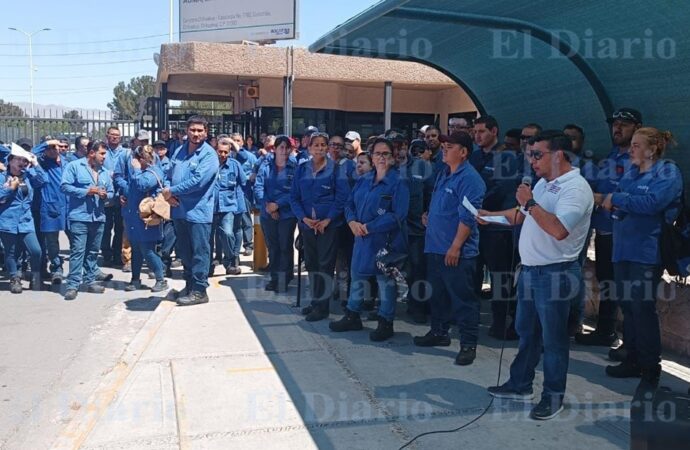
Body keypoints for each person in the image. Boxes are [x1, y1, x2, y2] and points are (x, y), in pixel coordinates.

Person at [483, 131, 593, 420]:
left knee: (554, 341)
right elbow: (520, 215)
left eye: (536, 155)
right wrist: (488, 215)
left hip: (556, 274)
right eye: (529, 154)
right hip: (531, 271)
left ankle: (552, 396)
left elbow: (558, 229)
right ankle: (520, 384)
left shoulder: (575, 188)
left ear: (558, 156)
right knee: (526, 333)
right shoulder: (545, 183)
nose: (531, 160)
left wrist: (530, 203)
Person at [602, 127, 682, 391]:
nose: (631, 149)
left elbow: (652, 203)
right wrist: (621, 202)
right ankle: (632, 358)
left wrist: (620, 199)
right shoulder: (633, 172)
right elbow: (619, 204)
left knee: (642, 308)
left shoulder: (667, 172)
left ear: (652, 149)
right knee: (627, 305)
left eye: (637, 145)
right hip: (622, 248)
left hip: (646, 253)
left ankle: (650, 368)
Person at [412, 132, 485, 366]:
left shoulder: (470, 179)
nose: (444, 149)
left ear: (463, 152)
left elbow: (468, 217)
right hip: (435, 246)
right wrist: (428, 216)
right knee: (438, 295)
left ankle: (468, 344)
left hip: (456, 252)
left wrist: (455, 247)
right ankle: (439, 332)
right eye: (443, 145)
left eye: (450, 146)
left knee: (463, 300)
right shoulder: (444, 173)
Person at [329, 137, 409, 341]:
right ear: (371, 156)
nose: (381, 157)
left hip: (386, 241)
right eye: (377, 153)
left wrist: (370, 227)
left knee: (385, 282)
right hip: (362, 239)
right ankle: (352, 316)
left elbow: (398, 215)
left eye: (386, 154)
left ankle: (385, 322)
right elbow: (349, 204)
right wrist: (352, 222)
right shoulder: (364, 180)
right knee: (357, 277)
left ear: (393, 157)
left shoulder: (399, 182)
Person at [577, 108, 640, 350]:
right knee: (607, 282)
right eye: (615, 124)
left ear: (637, 128)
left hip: (623, 234)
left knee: (623, 288)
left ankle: (627, 342)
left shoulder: (637, 162)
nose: (617, 128)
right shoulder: (610, 157)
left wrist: (603, 196)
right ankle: (606, 330)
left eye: (624, 124)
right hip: (603, 231)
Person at [470, 116, 522, 339]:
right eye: (475, 132)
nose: (477, 135)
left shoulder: (506, 157)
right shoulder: (474, 155)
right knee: (473, 274)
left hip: (498, 227)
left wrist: (477, 204)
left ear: (494, 131)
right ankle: (470, 318)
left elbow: (501, 188)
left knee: (501, 279)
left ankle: (501, 322)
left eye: (482, 131)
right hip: (475, 225)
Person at [290, 132, 350, 321]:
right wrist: (303, 219)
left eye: (323, 145)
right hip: (308, 226)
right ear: (309, 148)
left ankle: (322, 307)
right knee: (312, 264)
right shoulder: (301, 169)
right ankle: (315, 302)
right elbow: (294, 197)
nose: (320, 148)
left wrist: (328, 220)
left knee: (325, 266)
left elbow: (342, 198)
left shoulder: (336, 169)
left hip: (328, 227)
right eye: (316, 145)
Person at [163, 116, 220, 306]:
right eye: (192, 130)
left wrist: (172, 191)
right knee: (185, 252)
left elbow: (198, 182)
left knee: (199, 252)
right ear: (186, 131)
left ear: (206, 132)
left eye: (200, 130)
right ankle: (189, 286)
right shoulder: (179, 151)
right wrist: (167, 192)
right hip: (179, 211)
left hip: (198, 212)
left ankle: (199, 291)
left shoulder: (209, 155)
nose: (196, 134)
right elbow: (168, 174)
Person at [61, 141, 115, 301]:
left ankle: (90, 280)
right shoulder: (74, 166)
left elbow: (111, 192)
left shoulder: (104, 172)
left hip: (98, 217)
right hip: (79, 216)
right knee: (78, 251)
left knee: (92, 251)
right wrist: (86, 191)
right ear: (92, 153)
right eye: (102, 154)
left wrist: (107, 196)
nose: (105, 157)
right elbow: (64, 186)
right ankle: (72, 285)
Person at [394, 135, 433, 323]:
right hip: (392, 229)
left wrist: (428, 213)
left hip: (416, 229)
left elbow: (432, 193)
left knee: (418, 270)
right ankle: (385, 306)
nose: (398, 150)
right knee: (391, 268)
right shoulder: (385, 168)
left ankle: (418, 306)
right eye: (394, 146)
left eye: (401, 146)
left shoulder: (422, 167)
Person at [120, 145, 169, 293]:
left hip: (147, 218)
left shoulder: (153, 171)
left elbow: (142, 185)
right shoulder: (140, 172)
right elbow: (131, 186)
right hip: (133, 215)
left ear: (142, 159)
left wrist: (135, 169)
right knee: (136, 249)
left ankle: (161, 279)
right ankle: (135, 279)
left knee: (147, 249)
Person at [0, 144, 46, 293]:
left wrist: (35, 164)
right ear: (11, 160)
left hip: (25, 220)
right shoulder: (2, 177)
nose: (23, 163)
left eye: (25, 161)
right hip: (7, 220)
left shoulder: (28, 175)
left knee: (36, 250)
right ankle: (15, 278)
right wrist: (10, 188)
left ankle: (35, 277)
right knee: (11, 252)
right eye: (20, 160)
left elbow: (43, 180)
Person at [254, 135, 298, 292]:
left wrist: (277, 205)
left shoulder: (295, 167)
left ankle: (284, 279)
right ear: (275, 149)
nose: (284, 151)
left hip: (286, 214)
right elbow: (259, 187)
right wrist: (268, 206)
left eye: (287, 148)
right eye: (281, 147)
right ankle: (274, 278)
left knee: (285, 246)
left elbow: (295, 191)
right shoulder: (266, 165)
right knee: (273, 247)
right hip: (267, 213)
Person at [32, 139, 68, 283]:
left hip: (69, 207)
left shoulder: (67, 161)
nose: (53, 150)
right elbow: (30, 154)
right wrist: (45, 144)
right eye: (50, 148)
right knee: (52, 242)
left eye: (56, 147)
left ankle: (87, 270)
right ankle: (56, 268)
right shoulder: (42, 162)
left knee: (77, 240)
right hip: (50, 208)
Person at [329, 134, 357, 303]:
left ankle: (347, 291)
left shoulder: (350, 166)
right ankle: (334, 287)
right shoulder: (320, 164)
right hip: (326, 220)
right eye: (333, 144)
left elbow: (351, 192)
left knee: (346, 256)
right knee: (331, 257)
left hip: (345, 220)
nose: (336, 148)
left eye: (340, 146)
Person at [212, 137, 247, 276]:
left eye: (226, 152)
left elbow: (243, 181)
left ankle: (230, 259)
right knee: (209, 238)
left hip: (228, 205)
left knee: (227, 232)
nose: (223, 155)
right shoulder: (209, 164)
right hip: (211, 205)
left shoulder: (234, 164)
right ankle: (208, 265)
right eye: (220, 152)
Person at [101, 126, 125, 268]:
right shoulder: (103, 151)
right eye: (112, 135)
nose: (115, 137)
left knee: (120, 229)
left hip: (120, 196)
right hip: (106, 197)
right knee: (105, 227)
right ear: (107, 136)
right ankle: (106, 254)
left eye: (117, 135)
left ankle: (117, 255)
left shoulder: (126, 153)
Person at [154, 139, 177, 277]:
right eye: (157, 148)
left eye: (162, 148)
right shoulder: (151, 163)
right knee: (157, 235)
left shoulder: (171, 163)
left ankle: (164, 264)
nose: (159, 150)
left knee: (170, 234)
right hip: (156, 201)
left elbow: (170, 179)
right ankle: (158, 264)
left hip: (169, 201)